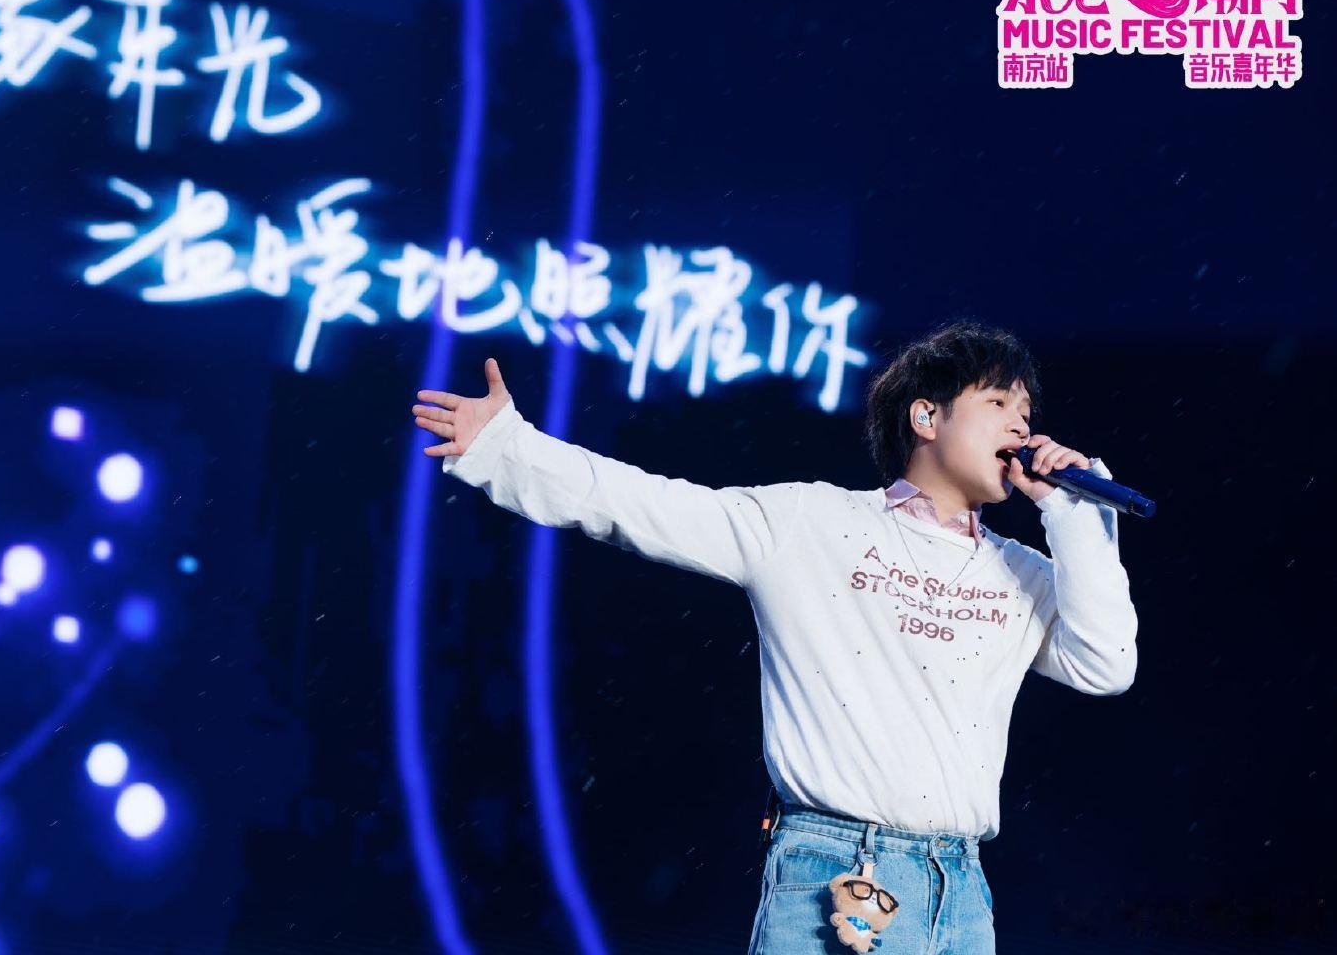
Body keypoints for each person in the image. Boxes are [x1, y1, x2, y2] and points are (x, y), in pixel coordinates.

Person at [410, 320, 1138, 954]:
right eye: (998, 403)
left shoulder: (1023, 574)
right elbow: (644, 505)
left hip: (962, 888)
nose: (1022, 427)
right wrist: (506, 448)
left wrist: (1074, 513)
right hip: (837, 874)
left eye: (1027, 412)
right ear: (926, 416)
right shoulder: (810, 524)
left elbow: (1106, 664)